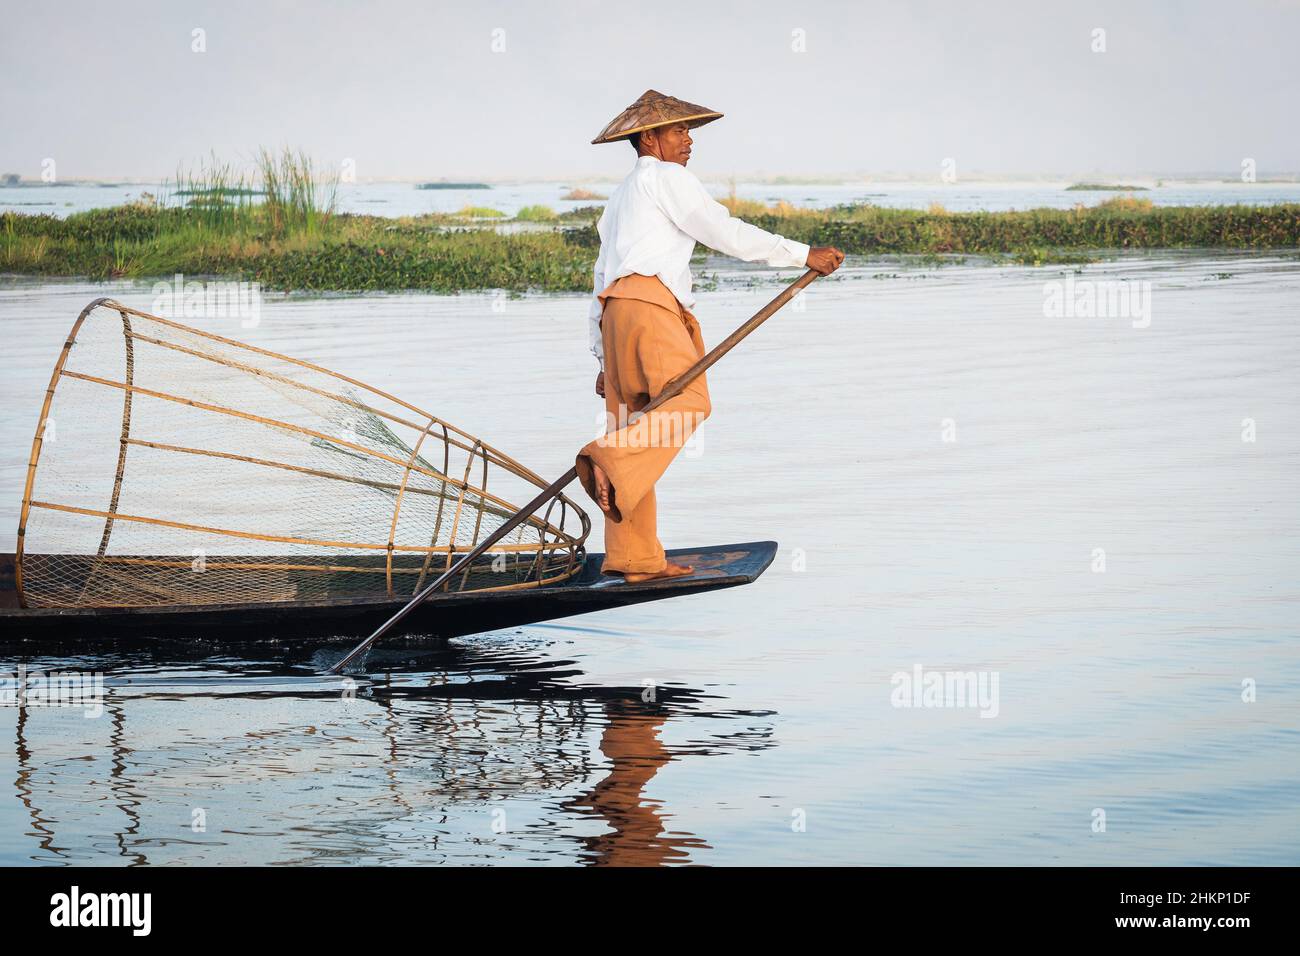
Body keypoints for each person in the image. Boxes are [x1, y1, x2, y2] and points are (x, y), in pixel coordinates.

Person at [576, 90, 844, 583]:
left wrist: (601, 358)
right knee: (688, 406)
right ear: (649, 138)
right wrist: (802, 253)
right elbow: (722, 231)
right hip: (652, 307)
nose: (687, 141)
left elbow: (600, 277)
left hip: (615, 315)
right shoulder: (666, 178)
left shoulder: (620, 197)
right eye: (678, 131)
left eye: (689, 132)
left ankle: (634, 559)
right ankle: (606, 460)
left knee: (635, 426)